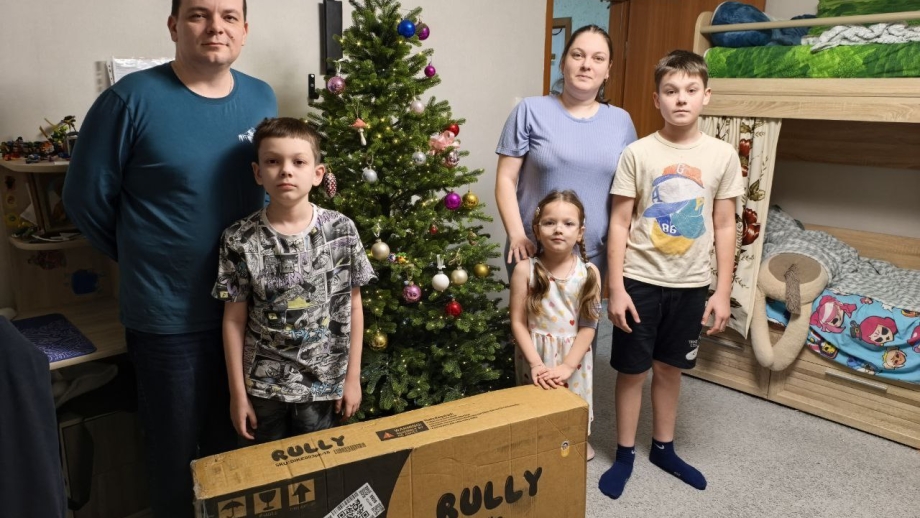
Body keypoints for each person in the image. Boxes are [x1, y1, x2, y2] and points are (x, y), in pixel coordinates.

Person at [61, 1, 276, 516]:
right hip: (169, 319)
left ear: (245, 30)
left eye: (229, 16)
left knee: (237, 451)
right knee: (174, 460)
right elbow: (85, 200)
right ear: (174, 26)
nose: (216, 27)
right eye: (199, 14)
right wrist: (143, 254)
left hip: (249, 313)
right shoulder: (128, 101)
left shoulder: (261, 97)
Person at [599, 50, 743, 499]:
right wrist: (616, 287)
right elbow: (619, 222)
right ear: (656, 99)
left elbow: (725, 225)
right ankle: (624, 453)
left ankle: (663, 448)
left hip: (691, 285)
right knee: (631, 370)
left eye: (690, 90)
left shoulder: (722, 156)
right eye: (670, 91)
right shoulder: (637, 153)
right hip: (640, 280)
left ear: (706, 95)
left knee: (670, 369)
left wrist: (722, 291)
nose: (681, 99)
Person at [212, 117, 375, 443]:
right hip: (262, 389)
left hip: (323, 385)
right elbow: (233, 320)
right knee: (266, 469)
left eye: (298, 162)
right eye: (273, 161)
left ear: (317, 174)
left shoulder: (341, 230)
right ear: (258, 172)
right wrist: (237, 395)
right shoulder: (238, 238)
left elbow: (354, 306)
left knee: (320, 466)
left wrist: (352, 378)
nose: (286, 171)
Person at [495, 24, 637, 281]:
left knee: (588, 311)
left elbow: (627, 195)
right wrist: (517, 235)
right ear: (563, 63)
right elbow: (505, 178)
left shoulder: (621, 122)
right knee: (525, 311)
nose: (586, 65)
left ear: (608, 70)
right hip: (531, 251)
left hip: (593, 256)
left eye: (598, 58)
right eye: (578, 55)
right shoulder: (529, 110)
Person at [509, 190, 602, 460]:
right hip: (534, 354)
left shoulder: (590, 273)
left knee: (572, 400)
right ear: (537, 230)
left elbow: (589, 327)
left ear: (580, 233)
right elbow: (518, 322)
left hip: (573, 358)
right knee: (535, 402)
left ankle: (576, 440)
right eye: (550, 223)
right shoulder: (525, 270)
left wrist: (567, 367)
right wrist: (536, 364)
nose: (558, 229)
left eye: (568, 223)